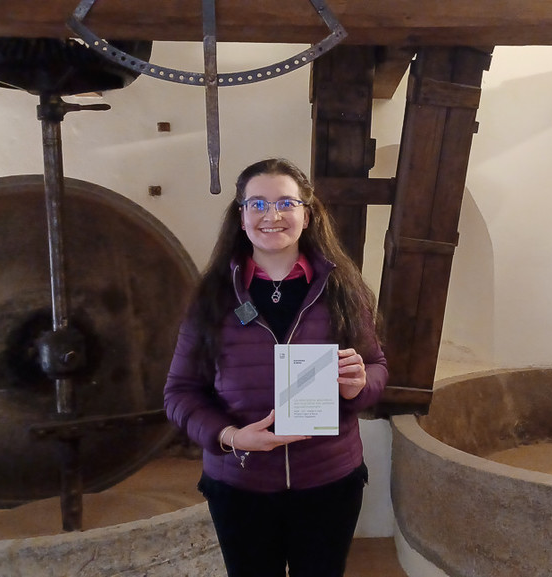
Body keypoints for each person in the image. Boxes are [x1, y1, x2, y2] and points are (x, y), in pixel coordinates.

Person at [164, 158, 387, 577]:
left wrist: (359, 384)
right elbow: (179, 392)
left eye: (286, 202)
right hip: (239, 483)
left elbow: (376, 367)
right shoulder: (211, 297)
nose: (273, 215)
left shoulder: (343, 288)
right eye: (258, 204)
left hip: (328, 481)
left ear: (307, 214)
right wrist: (231, 437)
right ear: (241, 217)